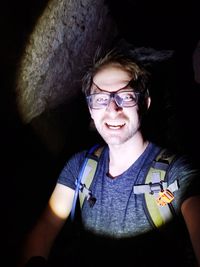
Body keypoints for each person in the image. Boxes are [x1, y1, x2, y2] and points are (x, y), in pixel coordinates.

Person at [19, 42, 200, 267]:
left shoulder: (176, 174)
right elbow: (46, 227)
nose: (113, 109)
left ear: (144, 103)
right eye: (101, 99)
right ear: (91, 111)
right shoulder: (79, 168)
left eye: (125, 96)